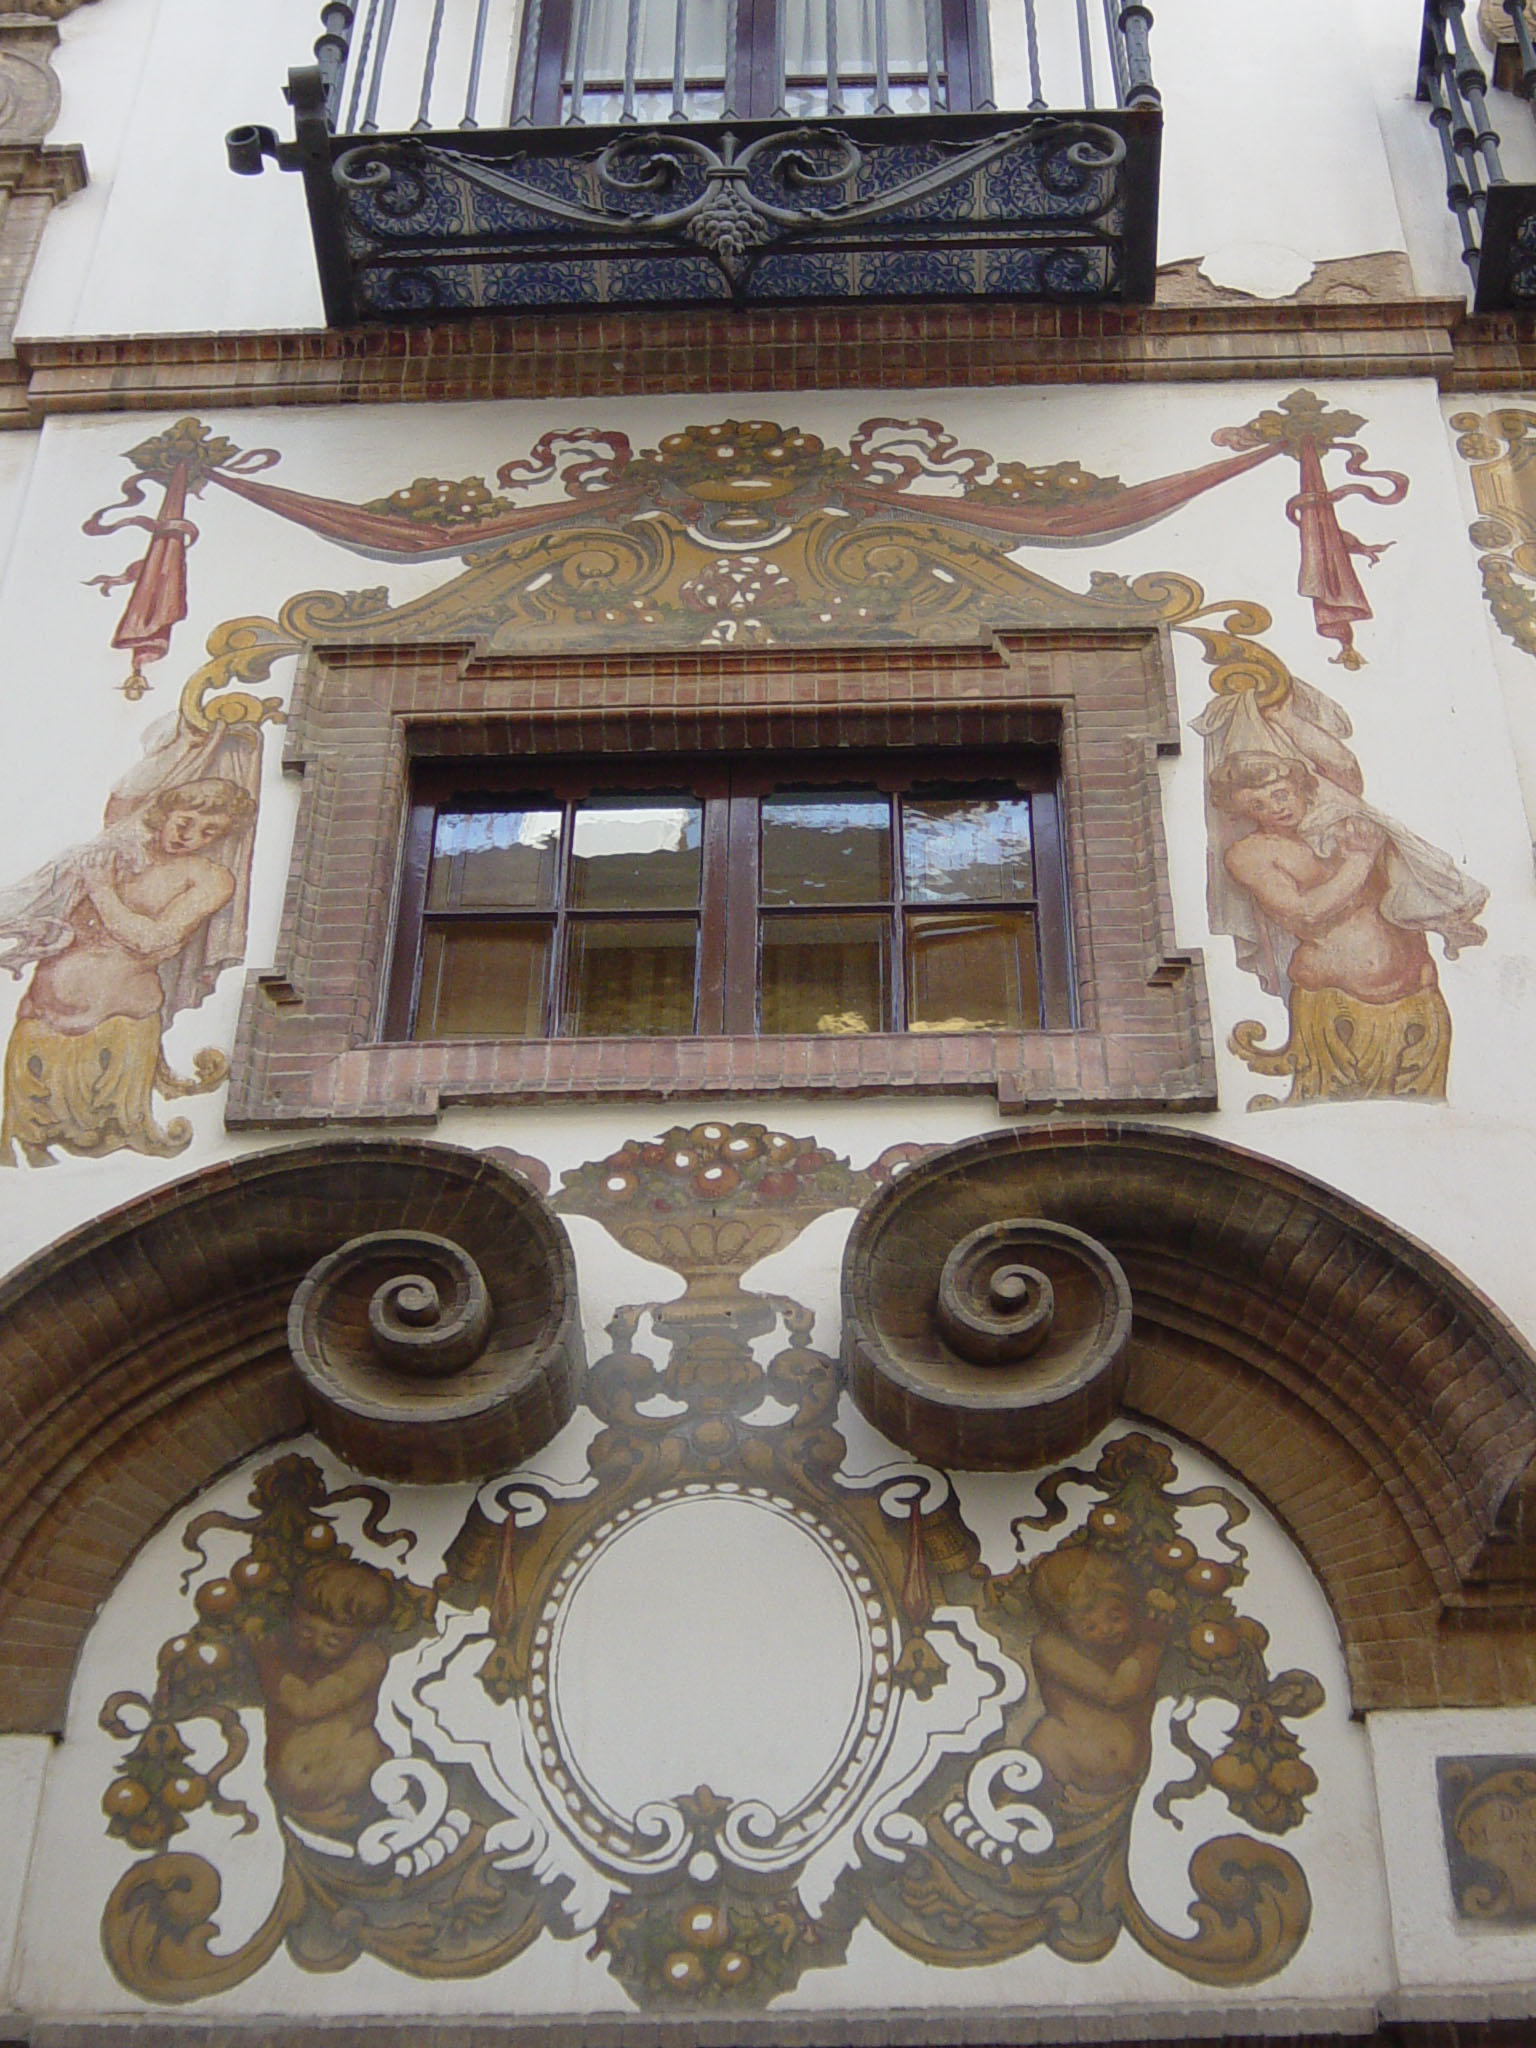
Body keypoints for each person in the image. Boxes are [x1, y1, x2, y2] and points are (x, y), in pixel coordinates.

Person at [0, 776, 255, 1163]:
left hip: (116, 1029)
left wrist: (102, 890)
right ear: (164, 813)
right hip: (39, 1020)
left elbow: (151, 940)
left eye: (209, 831)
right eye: (185, 822)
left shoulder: (209, 878)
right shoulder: (112, 854)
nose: (190, 836)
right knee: (22, 1151)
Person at [1208, 751, 1476, 1101]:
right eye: (1258, 805)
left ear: (1301, 787)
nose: (1276, 808)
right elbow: (1307, 913)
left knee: (1430, 1120)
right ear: (1243, 812)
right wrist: (1360, 860)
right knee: (1337, 1123)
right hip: (1339, 1010)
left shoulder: (1343, 823)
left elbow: (1343, 764)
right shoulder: (1252, 854)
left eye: (1281, 794)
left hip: (1421, 998)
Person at [251, 1558, 395, 1835]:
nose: (316, 1643)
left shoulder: (367, 1660)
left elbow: (306, 1704)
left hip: (349, 1793)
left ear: (362, 1634)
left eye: (333, 1639)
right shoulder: (292, 1654)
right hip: (294, 1801)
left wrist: (264, 1658)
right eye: (306, 1632)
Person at [1024, 1546, 1170, 1800]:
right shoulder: (1050, 1647)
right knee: (1047, 1736)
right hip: (1068, 1777)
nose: (1107, 1630)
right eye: (1089, 1626)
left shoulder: (1131, 1639)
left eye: (1115, 1616)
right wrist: (1152, 1645)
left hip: (1138, 1781)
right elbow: (1115, 1692)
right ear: (1064, 1624)